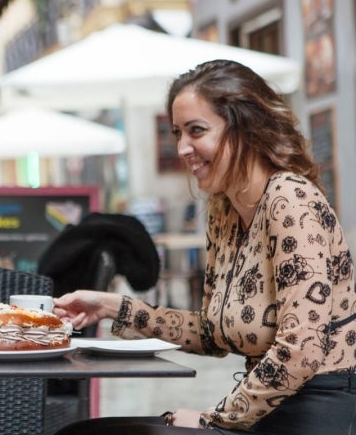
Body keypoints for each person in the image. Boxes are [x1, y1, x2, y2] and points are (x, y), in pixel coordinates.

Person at [53, 59, 356, 434]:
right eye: (178, 132)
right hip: (265, 409)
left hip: (316, 410)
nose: (182, 148)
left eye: (197, 131)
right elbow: (212, 334)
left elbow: (301, 351)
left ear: (247, 127)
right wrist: (111, 306)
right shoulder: (224, 212)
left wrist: (214, 418)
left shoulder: (290, 199)